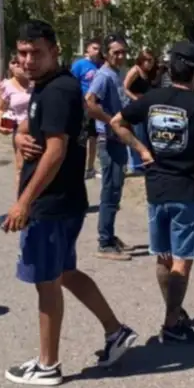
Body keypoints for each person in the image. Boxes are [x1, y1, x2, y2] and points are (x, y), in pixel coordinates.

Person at [2, 19, 136, 385]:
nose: (28, 60)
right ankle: (115, 331)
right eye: (23, 53)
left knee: (46, 282)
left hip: (51, 204)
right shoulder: (47, 88)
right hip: (64, 202)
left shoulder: (58, 90)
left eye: (37, 53)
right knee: (64, 274)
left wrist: (24, 203)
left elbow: (57, 151)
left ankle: (48, 365)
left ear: (54, 51)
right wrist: (17, 139)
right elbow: (35, 132)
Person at [109, 40, 194, 344]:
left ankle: (174, 314)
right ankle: (172, 324)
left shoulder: (152, 98)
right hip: (188, 191)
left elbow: (116, 122)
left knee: (163, 257)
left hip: (157, 189)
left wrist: (142, 150)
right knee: (181, 261)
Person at [84, 36, 131, 259]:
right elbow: (90, 102)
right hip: (108, 141)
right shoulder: (103, 75)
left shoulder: (115, 74)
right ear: (106, 53)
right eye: (116, 52)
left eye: (123, 52)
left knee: (116, 189)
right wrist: (110, 120)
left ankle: (110, 235)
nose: (120, 56)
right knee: (110, 190)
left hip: (119, 140)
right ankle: (104, 242)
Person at [0, 59, 32, 190]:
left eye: (18, 62)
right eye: (13, 63)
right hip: (19, 129)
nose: (17, 65)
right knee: (21, 167)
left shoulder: (36, 82)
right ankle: (22, 200)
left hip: (39, 128)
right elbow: (1, 107)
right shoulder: (6, 85)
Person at [123, 48, 159, 175]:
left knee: (145, 134)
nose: (149, 63)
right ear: (141, 60)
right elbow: (125, 87)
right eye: (147, 60)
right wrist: (135, 99)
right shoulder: (135, 70)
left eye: (151, 60)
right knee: (137, 135)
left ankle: (145, 163)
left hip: (144, 106)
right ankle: (137, 166)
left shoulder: (148, 73)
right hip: (135, 105)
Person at [70, 38, 103, 179]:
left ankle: (90, 168)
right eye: (94, 48)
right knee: (81, 138)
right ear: (87, 49)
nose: (97, 51)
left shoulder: (101, 65)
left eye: (99, 49)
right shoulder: (80, 65)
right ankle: (78, 168)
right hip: (83, 106)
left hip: (97, 106)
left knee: (94, 138)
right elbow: (72, 83)